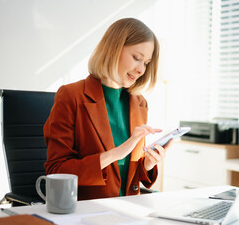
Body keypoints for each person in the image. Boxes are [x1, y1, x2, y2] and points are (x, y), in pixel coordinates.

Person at [43, 18, 171, 200]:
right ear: (114, 49)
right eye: (137, 58)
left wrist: (148, 164)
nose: (141, 69)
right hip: (88, 211)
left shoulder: (140, 103)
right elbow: (57, 171)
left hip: (129, 209)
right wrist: (114, 154)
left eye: (146, 63)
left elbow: (126, 171)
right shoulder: (71, 96)